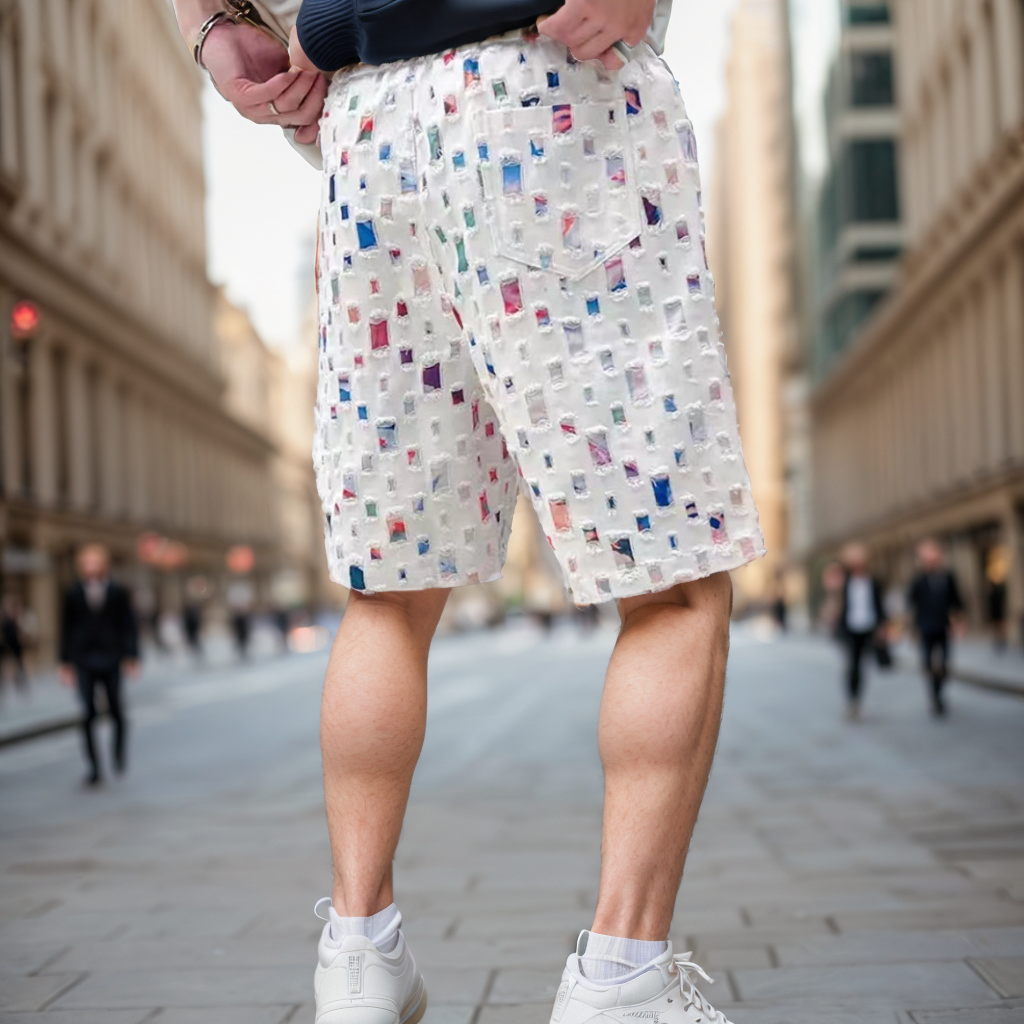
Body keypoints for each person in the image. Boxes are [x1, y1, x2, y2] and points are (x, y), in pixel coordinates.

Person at [170, 3, 765, 1024]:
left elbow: (226, 24)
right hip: (550, 88)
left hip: (370, 133)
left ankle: (358, 955)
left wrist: (213, 25)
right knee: (670, 585)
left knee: (387, 594)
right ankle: (619, 979)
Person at [59, 544, 139, 786]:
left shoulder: (118, 591)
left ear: (104, 565)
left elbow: (128, 625)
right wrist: (64, 662)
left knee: (116, 710)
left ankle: (118, 754)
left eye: (95, 562)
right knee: (87, 712)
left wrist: (132, 656)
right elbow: (66, 629)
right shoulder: (72, 593)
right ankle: (94, 768)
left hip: (112, 657)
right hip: (83, 659)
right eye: (86, 563)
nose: (90, 567)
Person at [907, 539, 964, 717]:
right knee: (928, 664)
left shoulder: (947, 577)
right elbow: (913, 606)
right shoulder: (918, 580)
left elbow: (957, 601)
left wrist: (959, 623)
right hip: (925, 627)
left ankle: (939, 690)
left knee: (944, 665)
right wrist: (914, 630)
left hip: (943, 626)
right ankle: (935, 697)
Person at [836, 543, 886, 720]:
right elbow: (837, 605)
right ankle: (853, 701)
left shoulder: (873, 581)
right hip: (850, 628)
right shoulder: (844, 582)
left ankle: (858, 699)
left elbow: (880, 606)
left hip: (869, 627)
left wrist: (882, 627)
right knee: (852, 666)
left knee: (864, 665)